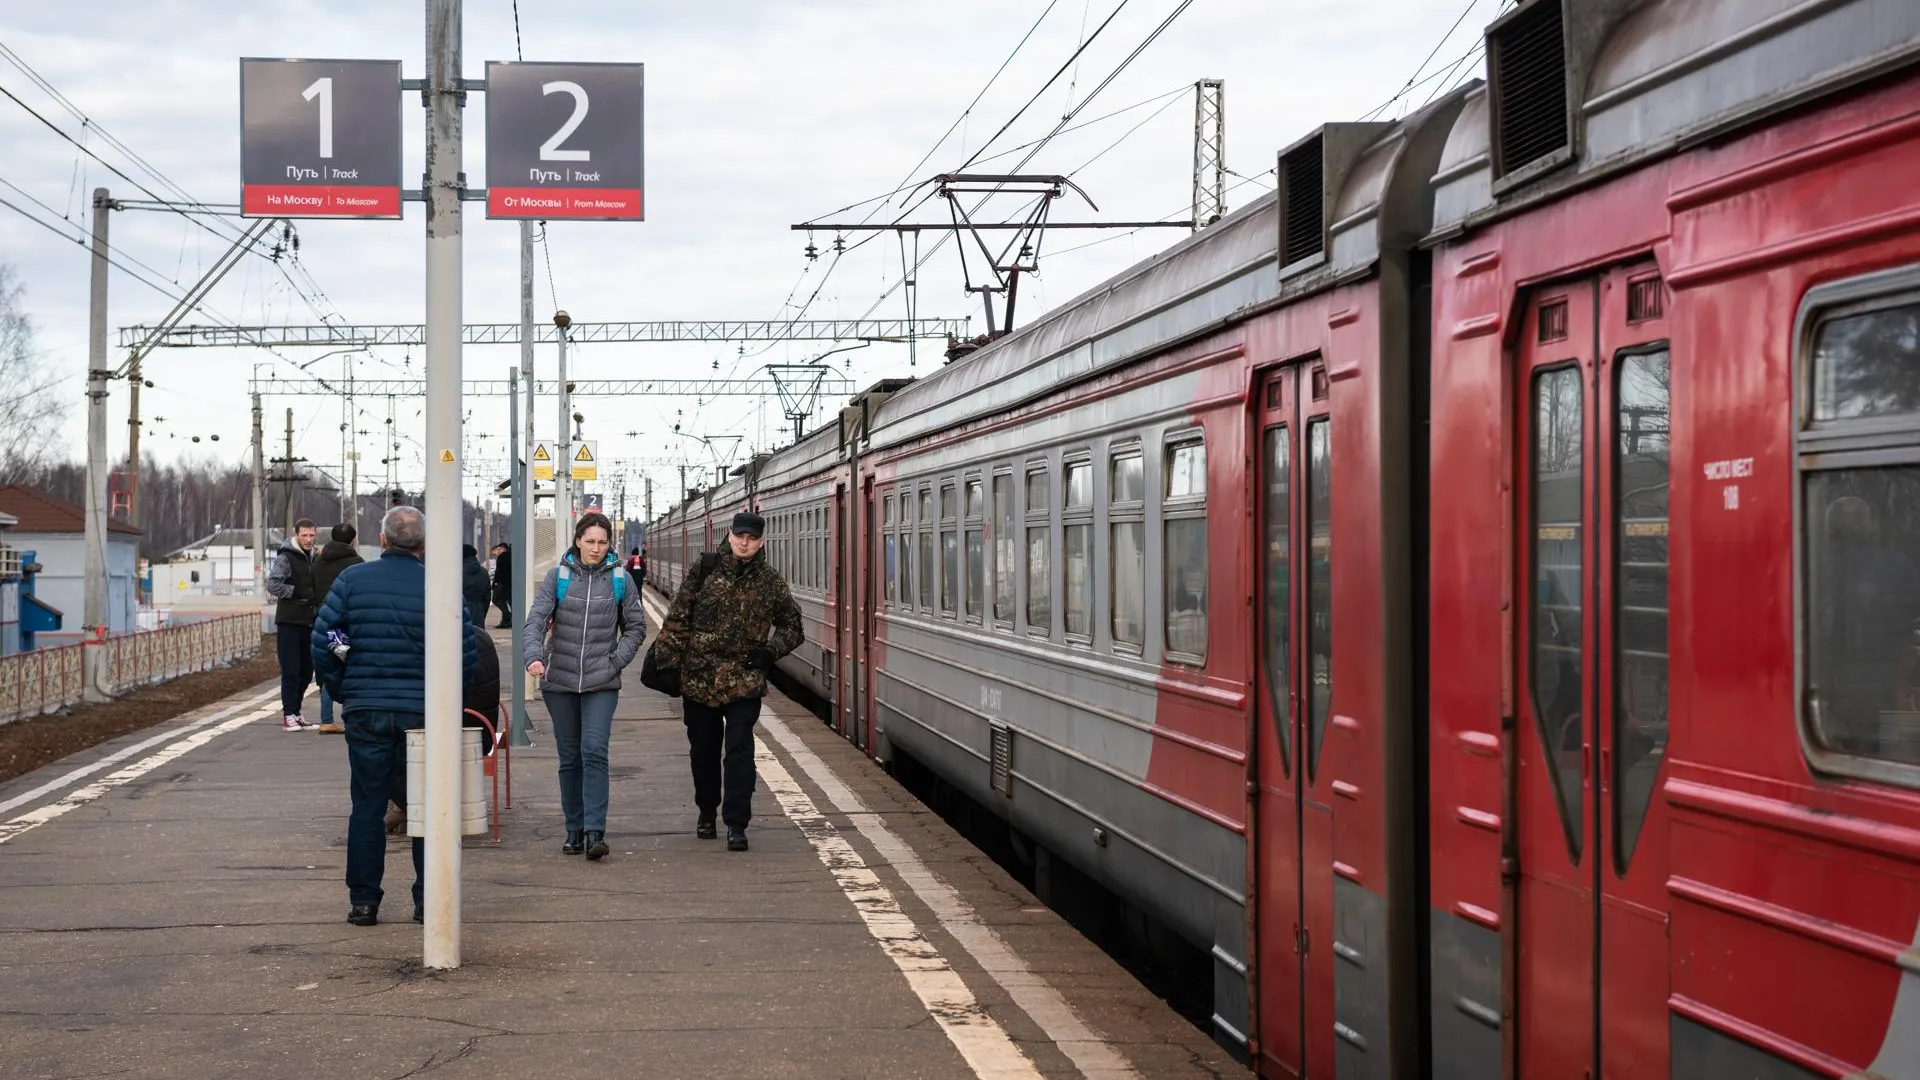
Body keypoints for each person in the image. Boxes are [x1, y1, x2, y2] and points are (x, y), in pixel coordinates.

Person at [311, 506, 478, 927]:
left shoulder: (351, 581)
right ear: (424, 544)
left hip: (367, 711)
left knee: (367, 807)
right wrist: (448, 704)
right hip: (424, 716)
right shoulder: (440, 585)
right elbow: (466, 654)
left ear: (382, 541)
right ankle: (428, 901)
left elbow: (324, 642)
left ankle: (364, 903)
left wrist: (344, 690)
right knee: (426, 806)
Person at [652, 511, 802, 851]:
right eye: (740, 536)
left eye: (751, 537)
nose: (744, 543)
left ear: (762, 541)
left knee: (739, 751)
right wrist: (670, 667)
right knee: (703, 752)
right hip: (699, 679)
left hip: (743, 681)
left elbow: (794, 626)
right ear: (730, 536)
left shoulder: (770, 582)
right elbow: (677, 620)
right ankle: (707, 810)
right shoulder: (703, 570)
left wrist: (769, 652)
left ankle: (737, 824)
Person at [521, 511, 647, 861]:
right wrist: (534, 657)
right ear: (578, 541)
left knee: (594, 751)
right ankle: (573, 829)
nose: (595, 548)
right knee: (569, 757)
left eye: (602, 542)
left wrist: (615, 661)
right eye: (589, 541)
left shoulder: (620, 579)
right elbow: (535, 622)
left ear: (610, 545)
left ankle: (595, 832)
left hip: (601, 681)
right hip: (558, 681)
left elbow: (636, 627)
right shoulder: (558, 577)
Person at [310, 523, 365, 734]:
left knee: (327, 668)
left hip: (321, 623)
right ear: (352, 540)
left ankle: (326, 719)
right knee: (348, 667)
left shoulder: (318, 561)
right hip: (343, 627)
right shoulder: (356, 563)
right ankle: (351, 717)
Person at [267, 518, 321, 731]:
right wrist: (295, 593)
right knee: (291, 671)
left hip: (309, 621)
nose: (308, 539)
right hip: (289, 621)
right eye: (304, 535)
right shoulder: (286, 557)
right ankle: (288, 714)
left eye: (311, 535)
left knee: (307, 672)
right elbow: (273, 585)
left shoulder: (314, 557)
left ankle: (296, 712)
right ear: (296, 535)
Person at [462, 544, 491, 628]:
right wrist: (482, 611)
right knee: (478, 637)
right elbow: (487, 596)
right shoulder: (483, 572)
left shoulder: (456, 571)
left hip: (461, 609)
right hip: (478, 610)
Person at [490, 542, 513, 628]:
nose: (498, 551)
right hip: (508, 583)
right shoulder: (511, 556)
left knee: (496, 600)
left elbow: (498, 572)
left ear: (504, 549)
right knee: (504, 602)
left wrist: (495, 583)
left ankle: (507, 616)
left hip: (501, 583)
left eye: (499, 549)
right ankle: (505, 620)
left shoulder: (502, 557)